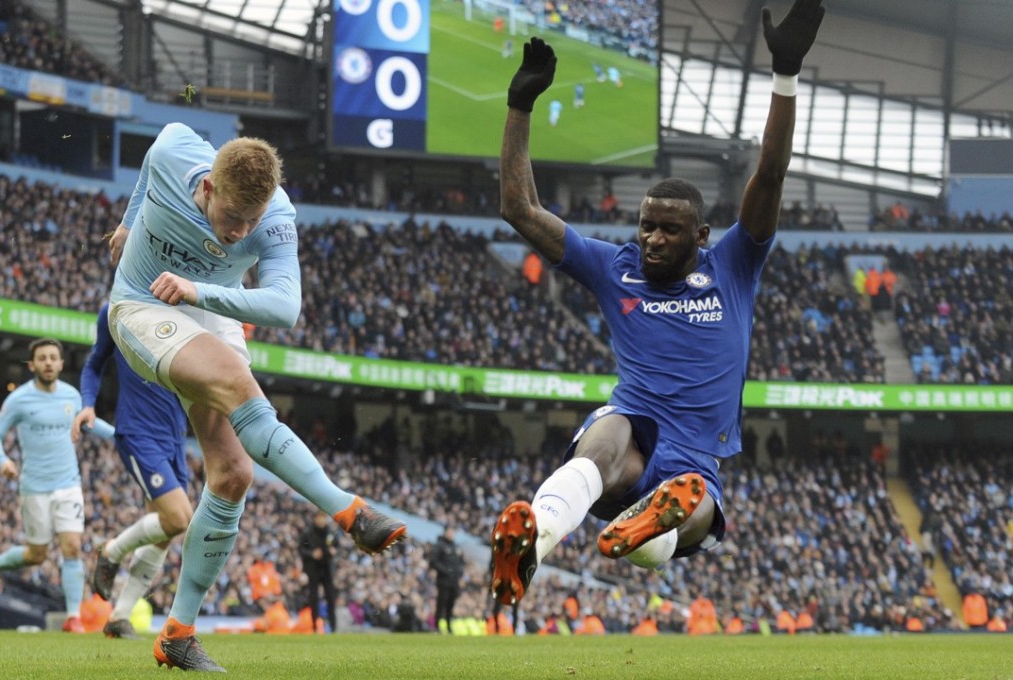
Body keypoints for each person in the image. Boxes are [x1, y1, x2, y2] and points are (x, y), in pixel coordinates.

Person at [489, 0, 825, 606]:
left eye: (670, 230)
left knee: (686, 511)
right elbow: (519, 209)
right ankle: (529, 546)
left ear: (701, 236)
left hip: (696, 452)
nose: (653, 239)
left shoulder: (735, 263)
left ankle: (656, 522)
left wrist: (786, 75)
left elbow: (770, 176)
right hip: (637, 428)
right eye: (647, 226)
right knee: (609, 431)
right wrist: (520, 105)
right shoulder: (614, 268)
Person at [106, 122, 406, 671]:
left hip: (207, 305)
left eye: (253, 219)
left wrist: (201, 290)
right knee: (240, 386)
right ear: (208, 190)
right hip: (141, 305)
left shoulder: (276, 217)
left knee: (232, 475)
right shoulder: (176, 149)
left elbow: (285, 308)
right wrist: (128, 225)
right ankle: (347, 509)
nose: (242, 231)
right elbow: (150, 161)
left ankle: (177, 632)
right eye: (232, 218)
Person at [71, 303, 192, 641]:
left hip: (175, 437)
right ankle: (111, 550)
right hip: (139, 432)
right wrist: (87, 404)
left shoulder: (185, 307)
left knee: (167, 531)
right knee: (181, 518)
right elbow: (94, 364)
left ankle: (119, 617)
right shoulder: (115, 310)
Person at [0, 338, 115, 632]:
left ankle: (73, 617)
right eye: (42, 358)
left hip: (68, 483)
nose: (48, 362)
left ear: (61, 363)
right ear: (32, 364)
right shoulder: (19, 399)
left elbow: (89, 423)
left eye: (53, 358)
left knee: (72, 546)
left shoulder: (72, 396)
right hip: (34, 487)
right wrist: (3, 461)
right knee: (36, 554)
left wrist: (121, 436)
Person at [297, 510, 338, 632]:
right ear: (314, 519)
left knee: (330, 597)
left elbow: (337, 546)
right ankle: (314, 626)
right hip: (313, 569)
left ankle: (333, 627)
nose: (321, 520)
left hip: (327, 569)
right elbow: (300, 549)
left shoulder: (330, 532)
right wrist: (312, 554)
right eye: (319, 518)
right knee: (313, 598)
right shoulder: (308, 533)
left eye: (323, 517)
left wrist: (333, 551)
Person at [429, 526, 464, 633]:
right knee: (441, 603)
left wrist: (460, 573)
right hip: (443, 580)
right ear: (445, 532)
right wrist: (445, 571)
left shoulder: (456, 547)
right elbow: (433, 562)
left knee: (451, 604)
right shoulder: (439, 545)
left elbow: (461, 563)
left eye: (453, 532)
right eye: (449, 531)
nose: (451, 534)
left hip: (454, 581)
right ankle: (437, 625)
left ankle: (448, 625)